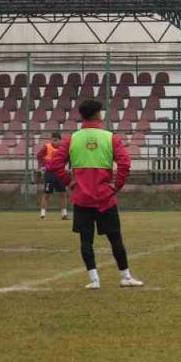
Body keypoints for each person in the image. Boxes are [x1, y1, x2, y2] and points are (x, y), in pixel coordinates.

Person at [48, 98, 143, 289]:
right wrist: (116, 186)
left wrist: (70, 182)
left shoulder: (72, 139)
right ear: (98, 114)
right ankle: (125, 276)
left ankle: (94, 280)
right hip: (105, 198)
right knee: (115, 238)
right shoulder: (110, 137)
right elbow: (125, 163)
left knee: (85, 240)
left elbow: (55, 164)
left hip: (81, 198)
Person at [36, 132, 70, 220]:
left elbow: (68, 157)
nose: (54, 142)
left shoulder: (63, 148)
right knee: (46, 194)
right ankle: (42, 215)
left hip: (60, 173)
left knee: (63, 193)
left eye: (56, 140)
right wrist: (45, 164)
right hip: (50, 173)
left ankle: (64, 214)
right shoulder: (47, 147)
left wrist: (64, 164)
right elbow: (39, 156)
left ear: (60, 140)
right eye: (52, 140)